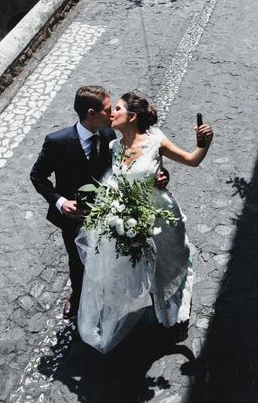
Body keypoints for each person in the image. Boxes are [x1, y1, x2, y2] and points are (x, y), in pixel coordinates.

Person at [74, 92, 214, 353]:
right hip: (128, 218)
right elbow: (113, 181)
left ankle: (168, 306)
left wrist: (203, 144)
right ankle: (151, 305)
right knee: (138, 267)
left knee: (166, 263)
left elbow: (192, 160)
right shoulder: (114, 146)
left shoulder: (155, 141)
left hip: (161, 216)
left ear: (132, 116)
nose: (111, 114)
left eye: (117, 108)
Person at [30, 86, 167, 319]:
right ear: (91, 113)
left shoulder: (108, 136)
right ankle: (77, 296)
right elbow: (37, 176)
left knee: (109, 256)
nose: (112, 114)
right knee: (77, 260)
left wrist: (160, 175)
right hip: (74, 218)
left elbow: (127, 166)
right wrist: (60, 202)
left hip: (110, 213)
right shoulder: (57, 141)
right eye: (107, 109)